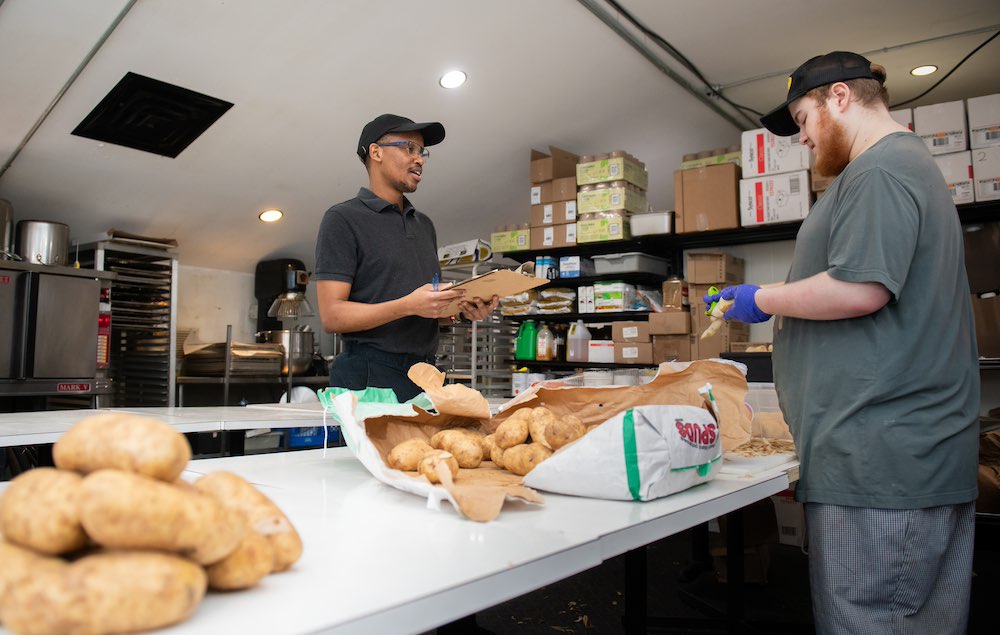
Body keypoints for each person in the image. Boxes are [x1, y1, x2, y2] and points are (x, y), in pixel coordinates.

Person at [705, 51, 980, 634]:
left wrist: (762, 299)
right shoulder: (897, 167)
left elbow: (862, 288)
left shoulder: (879, 169)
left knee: (869, 621)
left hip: (881, 466)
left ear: (839, 98)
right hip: (905, 461)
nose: (802, 139)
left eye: (803, 120)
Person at [314, 114, 499, 402]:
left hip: (425, 375)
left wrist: (460, 312)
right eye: (409, 148)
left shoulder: (423, 224)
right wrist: (408, 305)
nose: (420, 159)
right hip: (369, 377)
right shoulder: (342, 219)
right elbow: (332, 316)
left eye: (422, 151)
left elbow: (426, 311)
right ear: (376, 152)